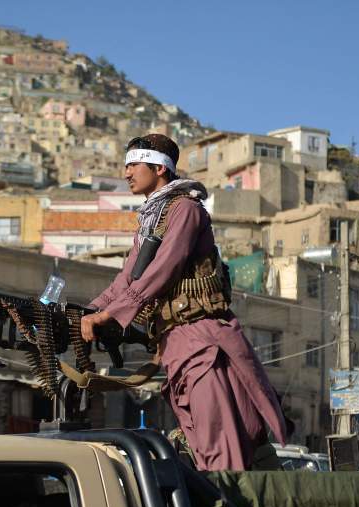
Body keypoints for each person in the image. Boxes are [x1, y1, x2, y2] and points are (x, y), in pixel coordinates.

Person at [80, 133, 287, 471]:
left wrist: (113, 315)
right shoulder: (151, 220)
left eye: (134, 164)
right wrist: (89, 312)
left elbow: (165, 267)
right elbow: (128, 278)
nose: (127, 173)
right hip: (177, 344)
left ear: (159, 168)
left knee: (220, 447)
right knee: (200, 443)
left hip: (202, 342)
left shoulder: (185, 210)